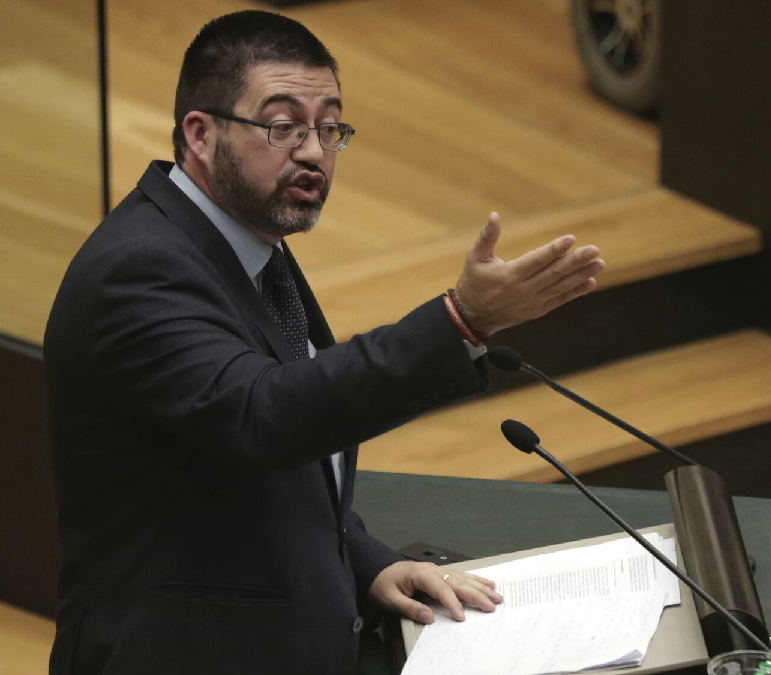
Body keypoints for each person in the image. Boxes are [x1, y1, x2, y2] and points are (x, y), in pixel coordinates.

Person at [44, 10, 605, 675]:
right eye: (282, 126)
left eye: (329, 126)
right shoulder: (137, 271)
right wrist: (458, 323)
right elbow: (267, 415)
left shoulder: (244, 243)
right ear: (200, 133)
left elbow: (261, 475)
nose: (313, 151)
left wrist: (367, 563)